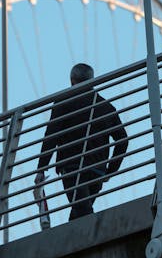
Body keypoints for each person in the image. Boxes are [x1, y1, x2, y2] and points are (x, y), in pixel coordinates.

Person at [35, 63, 128, 220]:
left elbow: (51, 136)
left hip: (72, 167)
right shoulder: (105, 106)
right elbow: (123, 140)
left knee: (83, 212)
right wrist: (110, 170)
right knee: (80, 212)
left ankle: (99, 235)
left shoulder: (63, 101)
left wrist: (41, 168)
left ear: (72, 80)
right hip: (97, 171)